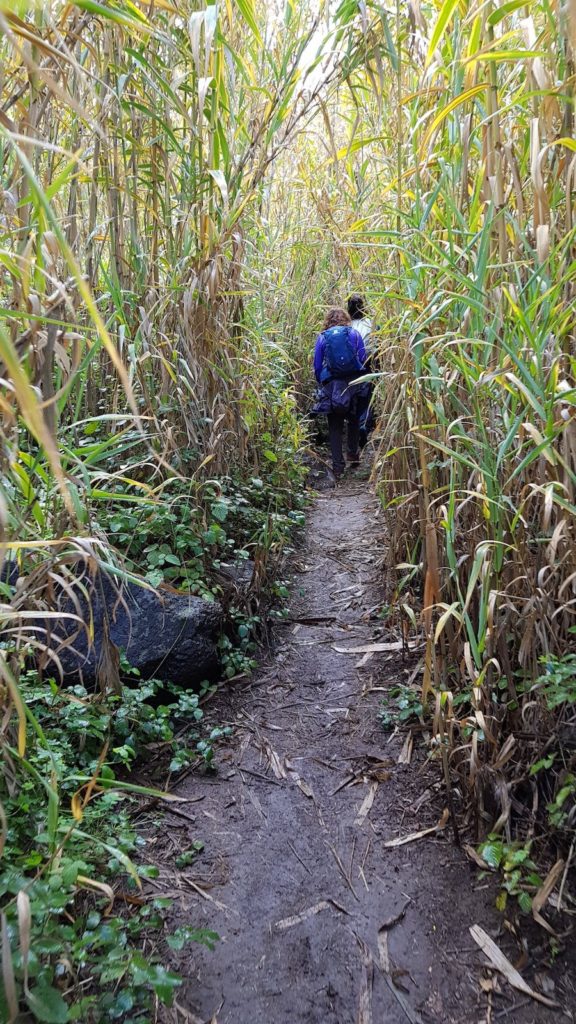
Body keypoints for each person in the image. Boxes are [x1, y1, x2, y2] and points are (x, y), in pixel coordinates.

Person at [312, 307, 368, 479]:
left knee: (334, 426)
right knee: (353, 419)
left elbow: (317, 365)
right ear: (346, 319)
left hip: (331, 385)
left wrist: (323, 382)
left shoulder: (323, 337)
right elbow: (362, 357)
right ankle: (352, 453)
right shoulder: (354, 334)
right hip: (352, 383)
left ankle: (337, 466)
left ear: (328, 321)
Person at [347, 294, 374, 447]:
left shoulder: (346, 325)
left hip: (349, 366)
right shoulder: (370, 323)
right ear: (363, 307)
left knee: (352, 398)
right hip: (366, 364)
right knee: (365, 398)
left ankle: (354, 427)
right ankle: (363, 425)